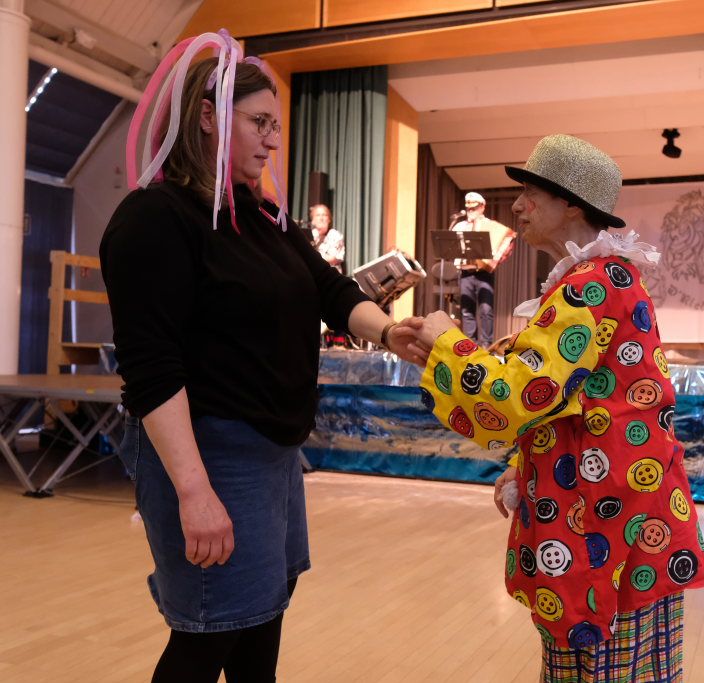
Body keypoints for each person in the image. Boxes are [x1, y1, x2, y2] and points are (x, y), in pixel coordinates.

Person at [100, 34, 425, 683]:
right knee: (208, 635)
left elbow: (332, 291)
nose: (273, 141)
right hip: (210, 454)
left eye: (276, 126)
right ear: (207, 116)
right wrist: (194, 491)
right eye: (260, 123)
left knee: (259, 619)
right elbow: (152, 368)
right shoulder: (155, 217)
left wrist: (390, 333)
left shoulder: (262, 216)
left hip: (271, 455)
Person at [415, 134, 704, 682]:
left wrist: (447, 342)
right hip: (624, 509)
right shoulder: (603, 278)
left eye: (530, 193)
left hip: (606, 522)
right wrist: (524, 465)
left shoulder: (591, 285)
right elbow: (575, 400)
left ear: (572, 204)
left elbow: (521, 395)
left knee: (601, 667)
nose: (517, 206)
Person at [451, 191, 515, 348]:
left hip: (484, 273)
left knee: (486, 309)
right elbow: (452, 248)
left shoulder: (490, 226)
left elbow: (506, 242)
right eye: (469, 208)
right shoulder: (459, 226)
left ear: (482, 207)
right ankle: (470, 344)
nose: (470, 210)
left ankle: (486, 345)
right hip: (465, 272)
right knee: (466, 310)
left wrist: (496, 257)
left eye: (474, 207)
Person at [309, 203, 346, 273]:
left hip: (330, 273)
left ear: (329, 219)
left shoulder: (335, 235)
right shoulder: (309, 235)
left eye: (324, 215)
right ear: (313, 221)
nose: (321, 218)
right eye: (318, 215)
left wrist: (312, 257)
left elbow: (332, 258)